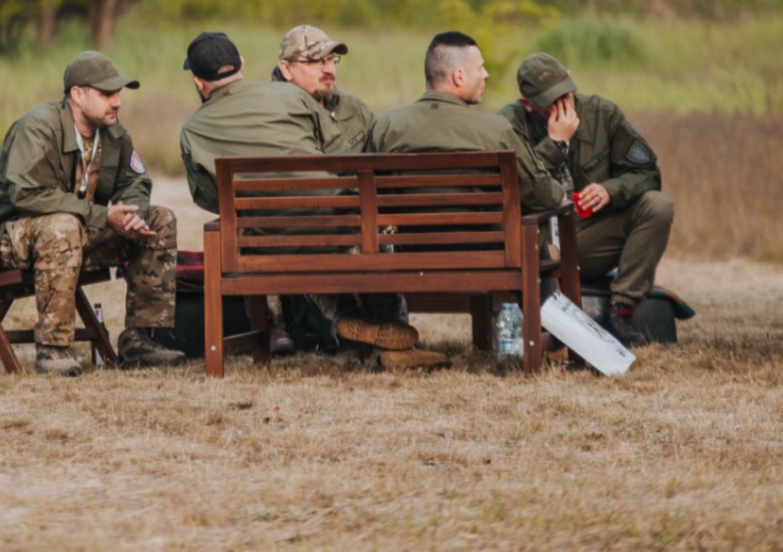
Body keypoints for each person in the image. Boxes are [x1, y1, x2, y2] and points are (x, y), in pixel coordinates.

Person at [179, 31, 442, 369]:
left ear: (199, 82)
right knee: (347, 237)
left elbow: (211, 199)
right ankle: (386, 339)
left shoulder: (192, 130)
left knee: (288, 241)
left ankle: (341, 316)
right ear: (242, 64)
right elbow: (340, 157)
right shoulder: (290, 98)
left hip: (268, 241)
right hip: (335, 228)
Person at [0, 51, 183, 376]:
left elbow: (136, 180)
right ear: (78, 94)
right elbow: (26, 194)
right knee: (63, 225)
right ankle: (53, 347)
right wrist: (103, 216)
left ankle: (140, 340)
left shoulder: (113, 132)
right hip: (4, 235)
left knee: (161, 219)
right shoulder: (38, 127)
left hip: (71, 233)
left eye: (118, 94)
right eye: (107, 94)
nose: (117, 102)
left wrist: (134, 214)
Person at [498, 53, 675, 346]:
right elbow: (517, 188)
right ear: (526, 104)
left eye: (565, 94)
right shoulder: (508, 125)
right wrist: (556, 144)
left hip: (589, 233)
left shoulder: (603, 114)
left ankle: (622, 309)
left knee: (658, 205)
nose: (562, 105)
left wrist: (611, 190)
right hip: (537, 240)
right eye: (549, 102)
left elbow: (647, 174)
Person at [367, 31, 566, 216]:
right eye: (480, 68)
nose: (486, 74)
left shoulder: (387, 125)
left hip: (409, 250)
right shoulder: (496, 129)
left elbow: (368, 194)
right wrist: (557, 145)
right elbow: (546, 197)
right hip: (483, 252)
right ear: (459, 76)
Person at [271, 24, 376, 152]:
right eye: (316, 61)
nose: (330, 70)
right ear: (286, 69)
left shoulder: (353, 108)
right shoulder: (270, 117)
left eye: (331, 60)